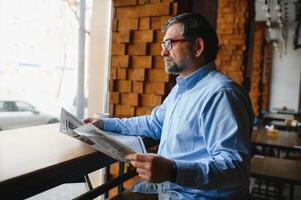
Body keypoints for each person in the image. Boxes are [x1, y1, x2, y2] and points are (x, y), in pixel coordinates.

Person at [84, 13, 254, 200]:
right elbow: (153, 124)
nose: (163, 52)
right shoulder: (182, 88)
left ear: (198, 47)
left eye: (169, 44)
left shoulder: (222, 94)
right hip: (167, 190)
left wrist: (173, 171)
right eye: (163, 45)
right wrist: (105, 124)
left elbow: (235, 167)